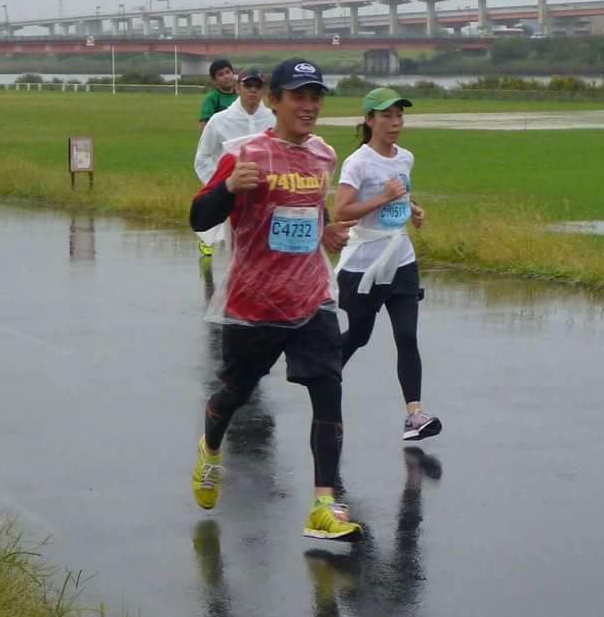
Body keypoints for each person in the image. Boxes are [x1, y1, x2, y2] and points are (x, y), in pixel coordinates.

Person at [188, 58, 360, 542]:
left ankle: (323, 505)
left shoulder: (323, 155)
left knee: (328, 389)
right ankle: (211, 447)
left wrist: (326, 232)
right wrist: (227, 188)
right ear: (275, 101)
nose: (309, 106)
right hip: (254, 303)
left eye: (315, 97)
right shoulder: (245, 155)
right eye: (298, 96)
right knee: (234, 394)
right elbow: (199, 217)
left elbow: (311, 207)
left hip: (311, 297)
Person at [333, 87, 442, 442]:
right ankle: (323, 375)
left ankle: (414, 415)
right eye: (387, 116)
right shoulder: (358, 162)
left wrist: (413, 209)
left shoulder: (405, 157)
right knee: (359, 335)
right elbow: (341, 211)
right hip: (365, 264)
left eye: (399, 115)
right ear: (369, 120)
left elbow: (401, 195)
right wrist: (383, 197)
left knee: (407, 336)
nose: (395, 123)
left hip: (401, 259)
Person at [192, 68, 274, 258]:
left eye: (258, 86)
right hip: (233, 198)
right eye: (248, 85)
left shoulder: (274, 119)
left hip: (268, 198)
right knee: (237, 253)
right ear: (238, 88)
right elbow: (203, 158)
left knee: (269, 251)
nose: (253, 90)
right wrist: (223, 188)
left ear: (263, 90)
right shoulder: (219, 120)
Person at [198, 58, 238, 129]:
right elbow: (203, 125)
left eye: (228, 72)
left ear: (233, 73)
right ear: (214, 80)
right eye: (221, 74)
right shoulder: (211, 98)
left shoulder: (241, 96)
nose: (226, 76)